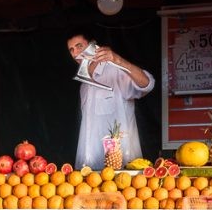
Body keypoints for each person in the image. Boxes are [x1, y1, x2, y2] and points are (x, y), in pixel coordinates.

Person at [66, 31, 154, 168]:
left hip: (121, 166)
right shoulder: (84, 85)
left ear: (93, 45)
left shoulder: (115, 70)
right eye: (71, 50)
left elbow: (147, 84)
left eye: (79, 46)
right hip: (88, 166)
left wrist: (118, 61)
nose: (75, 53)